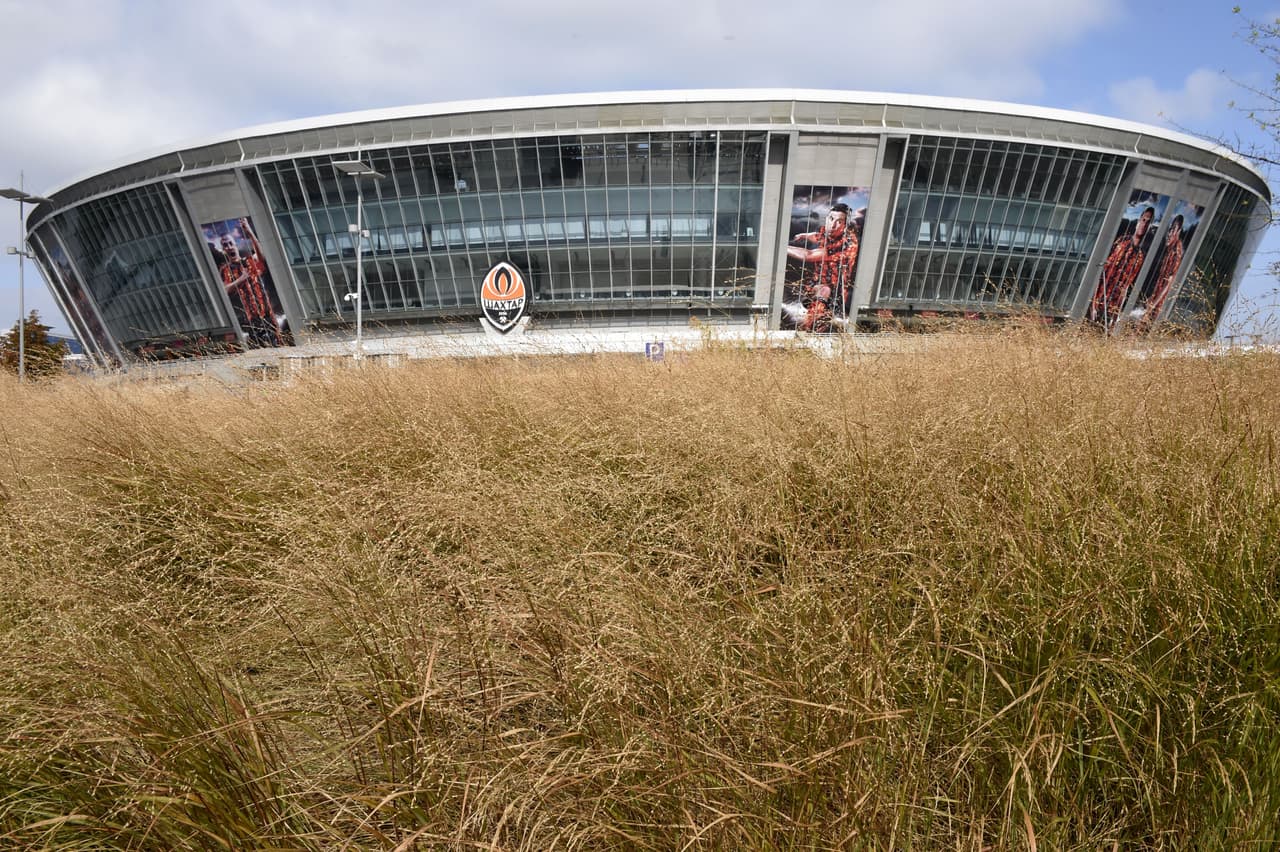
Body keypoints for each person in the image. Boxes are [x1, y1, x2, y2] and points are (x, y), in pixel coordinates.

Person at [785, 203, 862, 332]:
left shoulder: (847, 244)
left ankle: (815, 327)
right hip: (818, 282)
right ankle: (813, 324)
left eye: (839, 222)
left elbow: (808, 255)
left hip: (836, 291)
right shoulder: (832, 234)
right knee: (820, 291)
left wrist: (783, 247)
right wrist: (804, 235)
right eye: (831, 219)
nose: (833, 225)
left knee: (824, 291)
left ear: (845, 225)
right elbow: (818, 236)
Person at [216, 218, 280, 347]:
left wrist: (249, 232)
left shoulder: (249, 261)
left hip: (266, 312)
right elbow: (224, 290)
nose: (229, 247)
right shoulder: (226, 269)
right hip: (250, 318)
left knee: (276, 344)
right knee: (261, 347)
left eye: (230, 243)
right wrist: (241, 279)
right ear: (223, 250)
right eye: (225, 245)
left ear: (235, 244)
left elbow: (261, 256)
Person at [1089, 205, 1154, 328]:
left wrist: (1115, 315)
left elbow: (1125, 287)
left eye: (1148, 222)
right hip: (1099, 299)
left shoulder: (1140, 256)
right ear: (1139, 220)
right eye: (1143, 220)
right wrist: (1093, 304)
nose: (1144, 224)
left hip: (1112, 307)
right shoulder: (1121, 242)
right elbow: (1102, 271)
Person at [1136, 214, 1185, 330]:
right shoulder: (1169, 250)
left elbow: (1169, 283)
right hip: (1153, 300)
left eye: (1173, 230)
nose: (1169, 234)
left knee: (1141, 329)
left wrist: (1152, 306)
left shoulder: (1176, 251)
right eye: (1169, 230)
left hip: (1156, 305)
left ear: (1179, 231)